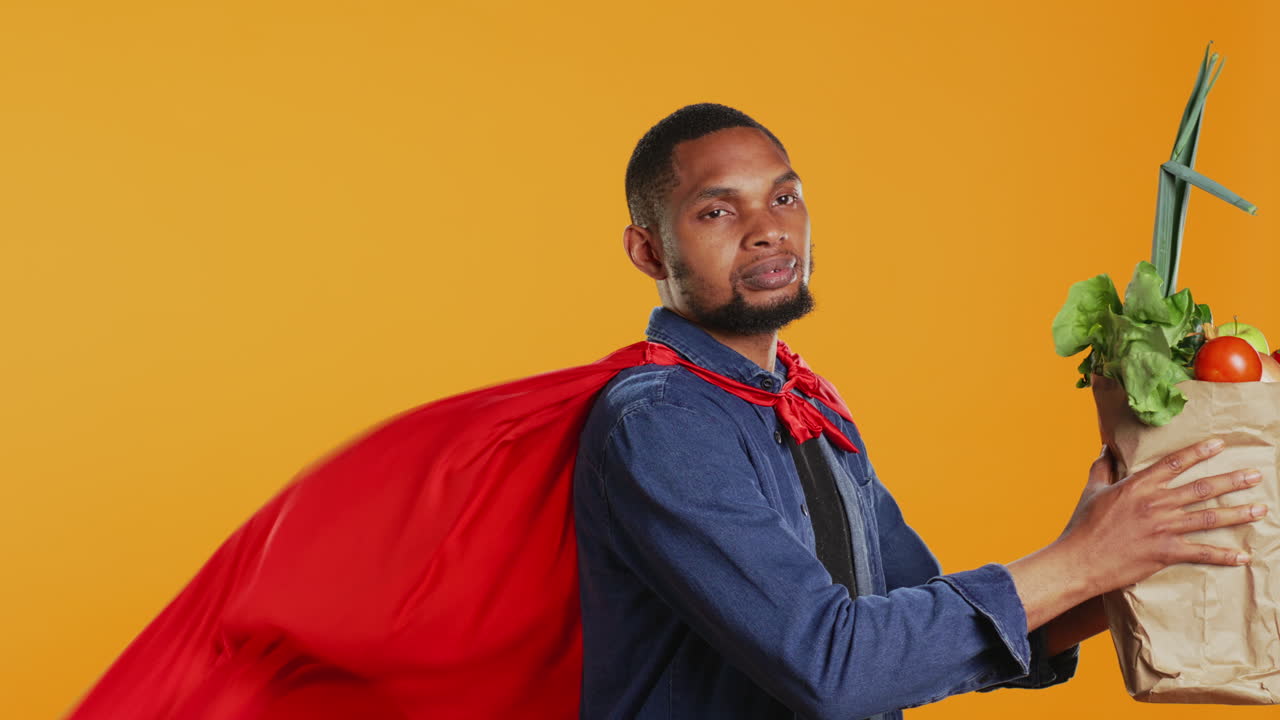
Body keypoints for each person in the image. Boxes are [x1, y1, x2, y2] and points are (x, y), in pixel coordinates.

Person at [571, 102, 1269, 719]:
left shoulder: (806, 403)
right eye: (718, 210)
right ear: (648, 249)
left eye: (785, 199)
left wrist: (1143, 547)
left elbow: (910, 629)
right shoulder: (661, 423)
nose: (767, 230)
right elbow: (835, 666)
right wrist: (1080, 561)